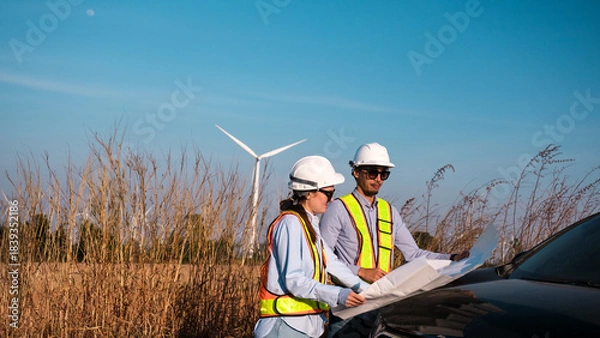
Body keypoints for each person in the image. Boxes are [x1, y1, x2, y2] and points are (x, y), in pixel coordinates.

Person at [320, 142, 470, 337]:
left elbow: (414, 253)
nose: (379, 179)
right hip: (349, 308)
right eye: (372, 172)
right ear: (356, 172)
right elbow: (322, 257)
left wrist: (451, 258)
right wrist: (361, 271)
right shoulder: (338, 209)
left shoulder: (389, 211)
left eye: (384, 174)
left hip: (381, 305)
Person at [254, 155, 368, 338]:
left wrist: (367, 290)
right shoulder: (290, 223)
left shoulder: (310, 223)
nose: (331, 200)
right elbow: (293, 280)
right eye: (328, 194)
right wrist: (338, 294)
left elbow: (332, 263)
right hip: (284, 326)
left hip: (303, 327)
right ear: (309, 192)